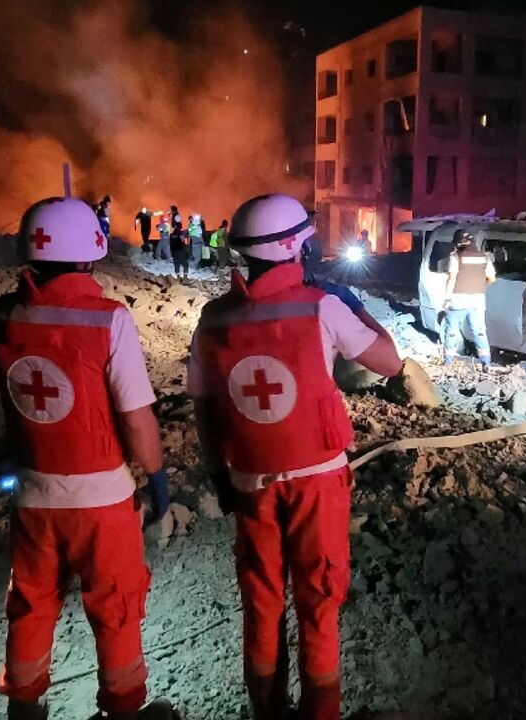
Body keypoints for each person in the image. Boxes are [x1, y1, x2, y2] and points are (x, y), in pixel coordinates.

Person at [188, 193, 403, 720]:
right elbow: (391, 363)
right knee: (319, 601)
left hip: (249, 482)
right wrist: (356, 308)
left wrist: (219, 474)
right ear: (292, 246)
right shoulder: (322, 305)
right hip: (317, 484)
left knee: (261, 602)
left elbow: (205, 407)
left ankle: (267, 710)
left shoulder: (213, 318)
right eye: (305, 240)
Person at [0, 197, 172, 720]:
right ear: (91, 253)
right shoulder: (109, 320)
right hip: (103, 502)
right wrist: (155, 474)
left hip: (34, 498)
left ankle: (24, 706)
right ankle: (123, 709)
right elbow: (135, 416)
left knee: (31, 603)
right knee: (116, 604)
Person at [442, 228, 496, 367]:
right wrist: (479, 287)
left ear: (458, 243)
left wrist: (447, 299)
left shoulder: (455, 257)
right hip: (477, 301)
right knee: (479, 332)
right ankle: (486, 363)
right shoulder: (484, 257)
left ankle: (448, 362)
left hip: (457, 300)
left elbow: (452, 278)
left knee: (452, 331)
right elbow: (491, 278)